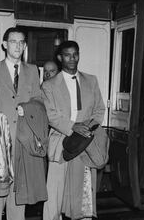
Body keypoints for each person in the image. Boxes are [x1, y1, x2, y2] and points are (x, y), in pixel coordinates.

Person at [0, 27, 47, 220]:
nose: (18, 46)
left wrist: (27, 108)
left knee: (18, 200)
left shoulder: (32, 71)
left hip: (22, 143)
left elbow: (39, 100)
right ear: (4, 45)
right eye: (13, 41)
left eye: (21, 42)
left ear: (25, 45)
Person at [42, 41, 106, 220]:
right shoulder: (49, 85)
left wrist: (87, 129)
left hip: (85, 142)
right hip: (61, 142)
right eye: (68, 55)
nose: (72, 58)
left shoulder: (91, 80)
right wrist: (72, 127)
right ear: (60, 57)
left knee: (83, 195)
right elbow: (51, 115)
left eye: (75, 54)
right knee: (55, 194)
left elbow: (100, 109)